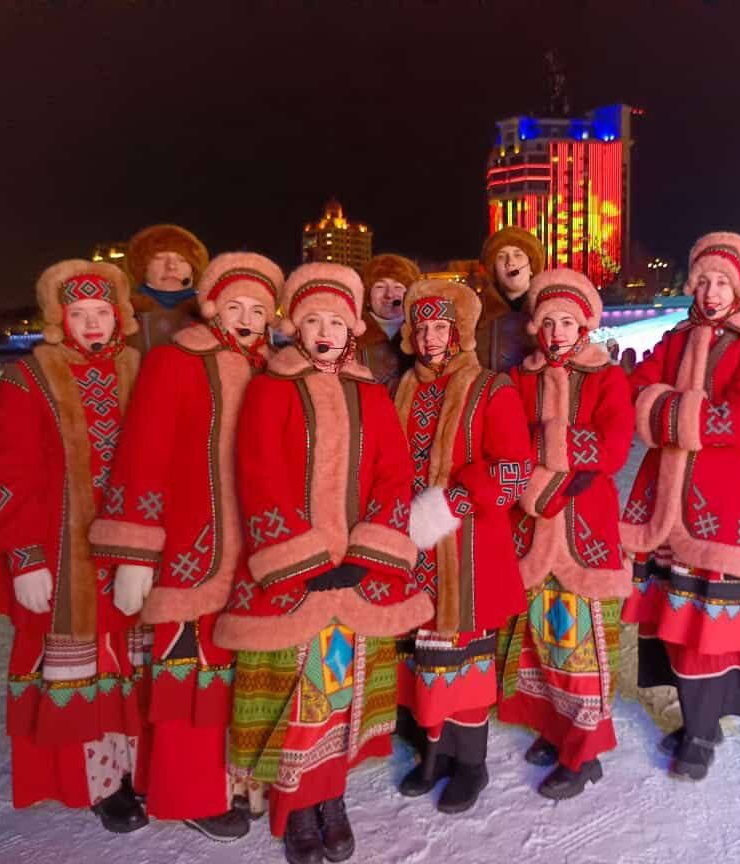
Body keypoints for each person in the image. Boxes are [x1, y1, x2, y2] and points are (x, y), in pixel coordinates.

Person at [212, 262, 432, 864]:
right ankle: (296, 808)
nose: (326, 332)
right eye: (313, 322)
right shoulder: (270, 389)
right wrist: (303, 559)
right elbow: (258, 476)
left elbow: (393, 474)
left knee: (340, 691)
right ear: (296, 328)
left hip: (359, 576)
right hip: (295, 577)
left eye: (336, 321)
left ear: (352, 329)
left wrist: (367, 553)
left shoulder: (371, 394)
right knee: (295, 692)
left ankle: (331, 798)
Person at [89, 252, 286, 842]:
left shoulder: (277, 370)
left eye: (258, 310)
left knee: (243, 678)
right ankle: (191, 792)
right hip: (191, 551)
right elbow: (141, 455)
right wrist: (135, 552)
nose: (246, 319)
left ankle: (243, 784)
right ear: (212, 308)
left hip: (258, 555)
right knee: (190, 679)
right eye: (235, 307)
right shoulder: (175, 361)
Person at [0, 260, 148, 831]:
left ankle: (136, 769)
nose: (93, 324)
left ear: (119, 316)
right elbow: (9, 472)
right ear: (59, 318)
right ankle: (98, 782)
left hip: (130, 549)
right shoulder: (28, 377)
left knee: (132, 662)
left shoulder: (139, 369)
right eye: (79, 314)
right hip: (61, 552)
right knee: (80, 668)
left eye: (102, 312)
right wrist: (23, 556)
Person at [620, 233, 740, 780]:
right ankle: (696, 718)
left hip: (719, 508)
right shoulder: (675, 338)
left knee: (707, 624)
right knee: (671, 618)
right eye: (703, 281)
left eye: (722, 283)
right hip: (664, 503)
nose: (711, 292)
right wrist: (689, 410)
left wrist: (667, 409)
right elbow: (636, 392)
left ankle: (703, 731)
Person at [393, 278, 533, 814]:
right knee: (423, 657)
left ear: (459, 332)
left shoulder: (491, 388)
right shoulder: (400, 389)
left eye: (440, 327)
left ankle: (470, 762)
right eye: (422, 327)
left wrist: (451, 502)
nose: (430, 338)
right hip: (413, 548)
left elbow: (514, 468)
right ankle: (433, 753)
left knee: (464, 658)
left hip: (468, 544)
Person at [499, 269, 635, 798]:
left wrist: (547, 443)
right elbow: (507, 440)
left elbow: (613, 446)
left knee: (583, 644)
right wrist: (555, 454)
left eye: (567, 322)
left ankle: (585, 751)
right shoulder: (521, 377)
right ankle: (555, 728)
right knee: (540, 637)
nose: (557, 332)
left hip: (584, 523)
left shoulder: (606, 377)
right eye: (549, 322)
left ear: (584, 325)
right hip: (532, 523)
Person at [125, 224, 210, 353]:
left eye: (182, 259)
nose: (171, 266)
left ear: (193, 270)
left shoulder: (213, 314)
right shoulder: (124, 314)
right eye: (159, 258)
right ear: (143, 267)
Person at [476, 226, 545, 373]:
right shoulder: (476, 313)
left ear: (531, 267)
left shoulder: (549, 309)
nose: (510, 262)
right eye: (501, 256)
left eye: (518, 255)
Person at [358, 253, 420, 395]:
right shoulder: (351, 334)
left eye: (398, 287)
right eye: (380, 286)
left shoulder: (423, 332)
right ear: (367, 294)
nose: (389, 294)